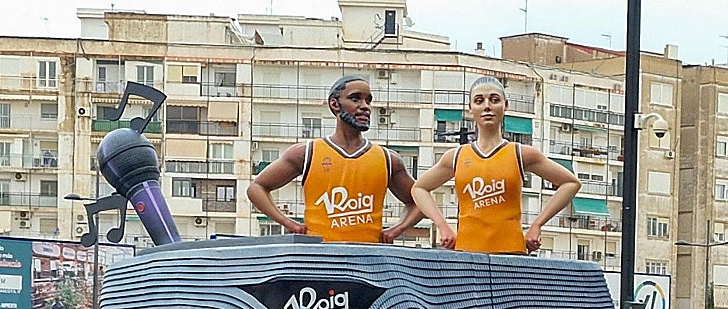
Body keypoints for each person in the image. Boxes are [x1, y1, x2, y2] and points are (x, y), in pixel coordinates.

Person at [411, 76, 580, 254]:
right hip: (467, 254)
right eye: (479, 101)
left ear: (505, 105)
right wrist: (442, 225)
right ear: (471, 108)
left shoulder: (521, 153)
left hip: (511, 255)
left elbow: (570, 183)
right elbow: (419, 188)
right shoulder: (456, 156)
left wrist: (537, 225)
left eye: (494, 100)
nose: (487, 106)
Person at [247, 75, 421, 244]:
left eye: (368, 101)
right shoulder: (307, 152)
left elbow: (420, 201)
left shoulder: (388, 159)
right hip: (320, 258)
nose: (365, 106)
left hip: (368, 259)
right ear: (335, 104)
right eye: (355, 99)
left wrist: (397, 229)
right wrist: (290, 224)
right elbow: (256, 188)